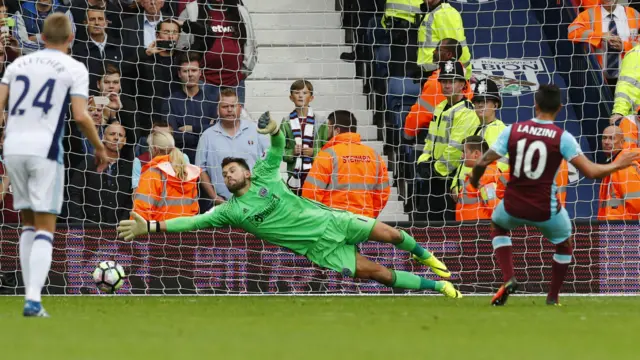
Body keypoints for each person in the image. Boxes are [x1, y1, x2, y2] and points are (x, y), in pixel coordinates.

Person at [117, 112, 462, 299]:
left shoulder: (266, 176)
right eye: (224, 173)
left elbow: (280, 147)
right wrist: (152, 226)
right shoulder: (230, 211)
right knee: (380, 274)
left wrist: (274, 131)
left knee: (389, 232)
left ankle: (426, 256)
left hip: (331, 221)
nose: (228, 174)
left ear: (247, 172)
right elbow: (190, 223)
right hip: (319, 248)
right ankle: (440, 287)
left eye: (233, 169)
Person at [469, 84, 640, 306]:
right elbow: (591, 172)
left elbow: (482, 161)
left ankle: (508, 276)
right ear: (559, 108)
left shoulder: (512, 130)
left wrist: (473, 181)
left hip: (513, 203)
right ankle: (553, 296)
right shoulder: (563, 137)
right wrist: (619, 164)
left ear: (535, 104)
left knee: (498, 227)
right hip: (545, 208)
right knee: (565, 243)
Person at [0, 13, 107, 317]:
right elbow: (81, 116)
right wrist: (98, 147)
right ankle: (33, 300)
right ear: (71, 38)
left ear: (42, 37)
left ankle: (30, 295)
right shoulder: (73, 67)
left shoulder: (17, 64)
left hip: (13, 148)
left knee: (27, 223)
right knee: (46, 227)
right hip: (44, 149)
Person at [416, 60, 480, 222]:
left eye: (452, 81)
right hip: (435, 174)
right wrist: (423, 160)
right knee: (427, 222)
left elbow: (456, 147)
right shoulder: (440, 107)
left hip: (450, 177)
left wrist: (436, 170)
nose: (446, 85)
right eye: (443, 81)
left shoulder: (467, 111)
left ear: (461, 84)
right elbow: (430, 139)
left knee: (445, 226)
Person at [302, 110, 390, 219]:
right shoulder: (374, 156)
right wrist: (370, 215)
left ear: (337, 130)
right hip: (364, 222)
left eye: (329, 127)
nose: (327, 131)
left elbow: (311, 193)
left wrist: (318, 219)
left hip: (334, 222)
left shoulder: (327, 155)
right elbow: (382, 193)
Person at [195, 87, 268, 207]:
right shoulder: (207, 136)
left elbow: (269, 162)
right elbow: (200, 169)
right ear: (218, 110)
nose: (229, 110)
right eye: (225, 107)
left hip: (255, 202)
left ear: (240, 108)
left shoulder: (256, 131)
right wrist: (214, 197)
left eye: (233, 106)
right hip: (223, 204)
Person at [177, 0, 257, 104]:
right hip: (203, 81)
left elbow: (251, 44)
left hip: (235, 82)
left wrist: (244, 72)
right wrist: (193, 74)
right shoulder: (192, 10)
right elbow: (181, 47)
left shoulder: (240, 11)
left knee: (233, 119)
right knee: (205, 120)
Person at [67, 122, 132, 225]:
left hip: (117, 231)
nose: (116, 138)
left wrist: (122, 224)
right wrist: (79, 224)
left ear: (125, 141)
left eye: (120, 135)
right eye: (112, 134)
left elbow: (130, 201)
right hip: (87, 228)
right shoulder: (87, 163)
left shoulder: (129, 168)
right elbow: (75, 194)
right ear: (103, 137)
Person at [568, 0, 640, 87]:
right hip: (600, 81)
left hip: (630, 79)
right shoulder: (590, 14)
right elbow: (572, 32)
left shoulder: (634, 14)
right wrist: (600, 36)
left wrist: (624, 46)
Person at [133, 130, 201, 221]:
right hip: (185, 231)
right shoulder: (188, 173)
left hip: (158, 231)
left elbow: (141, 211)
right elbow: (194, 209)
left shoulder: (152, 173)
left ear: (155, 149)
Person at [164, 51, 217, 163]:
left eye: (194, 70)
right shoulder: (170, 101)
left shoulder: (212, 100)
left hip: (209, 158)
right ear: (179, 74)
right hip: (180, 160)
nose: (190, 74)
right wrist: (204, 130)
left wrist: (192, 128)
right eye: (185, 71)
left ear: (200, 73)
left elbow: (216, 131)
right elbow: (174, 135)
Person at [280, 80, 329, 192]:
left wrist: (314, 152)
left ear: (311, 98)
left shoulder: (321, 121)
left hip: (317, 175)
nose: (301, 96)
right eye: (297, 93)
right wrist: (292, 152)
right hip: (294, 175)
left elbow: (329, 149)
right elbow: (279, 150)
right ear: (291, 97)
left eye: (305, 93)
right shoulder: (286, 121)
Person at [455, 136, 501, 222]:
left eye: (464, 152)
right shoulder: (483, 173)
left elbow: (495, 206)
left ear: (476, 154)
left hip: (479, 230)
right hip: (471, 229)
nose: (462, 156)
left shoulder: (486, 175)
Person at [598, 125, 640, 220]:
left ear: (622, 142)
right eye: (604, 138)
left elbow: (637, 204)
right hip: (610, 226)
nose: (606, 142)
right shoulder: (614, 164)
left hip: (622, 228)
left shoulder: (625, 167)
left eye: (612, 138)